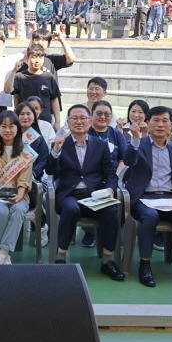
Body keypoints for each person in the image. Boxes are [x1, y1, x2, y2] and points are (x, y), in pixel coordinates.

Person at [46, 104, 124, 281]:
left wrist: (110, 189)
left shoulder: (101, 145)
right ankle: (61, 256)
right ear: (68, 122)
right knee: (71, 209)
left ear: (90, 121)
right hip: (69, 194)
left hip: (94, 195)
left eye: (83, 118)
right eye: (74, 118)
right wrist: (55, 151)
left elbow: (110, 173)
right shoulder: (60, 143)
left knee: (111, 211)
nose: (79, 122)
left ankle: (107, 260)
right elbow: (50, 171)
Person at [123, 106, 172, 288]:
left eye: (165, 121)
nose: (160, 125)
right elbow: (128, 160)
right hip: (145, 198)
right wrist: (136, 139)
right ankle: (145, 265)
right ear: (148, 122)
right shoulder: (139, 144)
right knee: (150, 216)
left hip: (171, 198)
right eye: (156, 120)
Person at [0, 111, 33, 264]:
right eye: (3, 126)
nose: (8, 130)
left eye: (12, 126)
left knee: (18, 210)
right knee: (1, 211)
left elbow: (25, 177)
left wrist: (20, 194)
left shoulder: (25, 150)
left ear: (18, 128)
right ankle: (3, 254)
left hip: (17, 192)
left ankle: (2, 253)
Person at [8, 44, 61, 130]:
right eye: (34, 57)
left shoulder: (49, 77)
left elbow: (54, 100)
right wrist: (14, 71)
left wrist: (57, 121)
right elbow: (9, 90)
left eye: (40, 57)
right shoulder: (19, 76)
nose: (37, 61)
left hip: (45, 121)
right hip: (24, 122)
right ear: (27, 58)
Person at [89, 100, 127, 172]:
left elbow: (124, 159)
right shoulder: (83, 133)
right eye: (99, 113)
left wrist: (116, 176)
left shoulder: (117, 134)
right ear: (91, 115)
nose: (103, 117)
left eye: (107, 114)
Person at [15, 102, 49, 181]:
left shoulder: (38, 139)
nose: (25, 117)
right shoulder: (10, 136)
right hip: (10, 178)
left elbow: (43, 160)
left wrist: (34, 173)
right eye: (22, 114)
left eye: (28, 114)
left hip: (32, 180)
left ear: (34, 118)